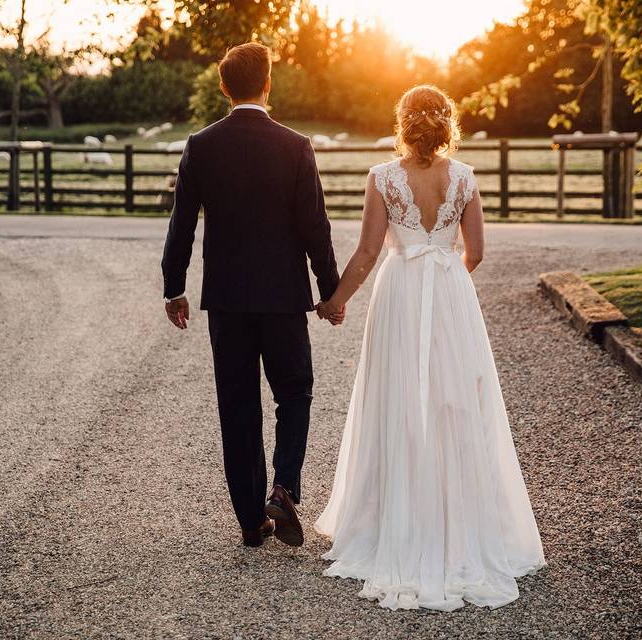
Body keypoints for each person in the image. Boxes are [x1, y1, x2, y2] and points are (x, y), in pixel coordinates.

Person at [314, 84, 546, 611]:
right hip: (450, 294)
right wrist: (444, 286)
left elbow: (370, 251)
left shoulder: (383, 177)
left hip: (399, 292)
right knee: (456, 402)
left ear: (402, 122)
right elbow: (477, 252)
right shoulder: (463, 177)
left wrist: (335, 300)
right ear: (447, 122)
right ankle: (460, 525)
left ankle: (396, 523)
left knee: (397, 399)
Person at [161, 42, 344, 549]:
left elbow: (182, 225)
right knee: (295, 392)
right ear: (268, 83)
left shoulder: (200, 145)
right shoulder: (295, 145)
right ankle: (283, 488)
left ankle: (250, 519)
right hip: (284, 297)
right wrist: (330, 292)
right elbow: (315, 228)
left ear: (224, 87)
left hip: (227, 300)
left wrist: (173, 286)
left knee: (237, 404)